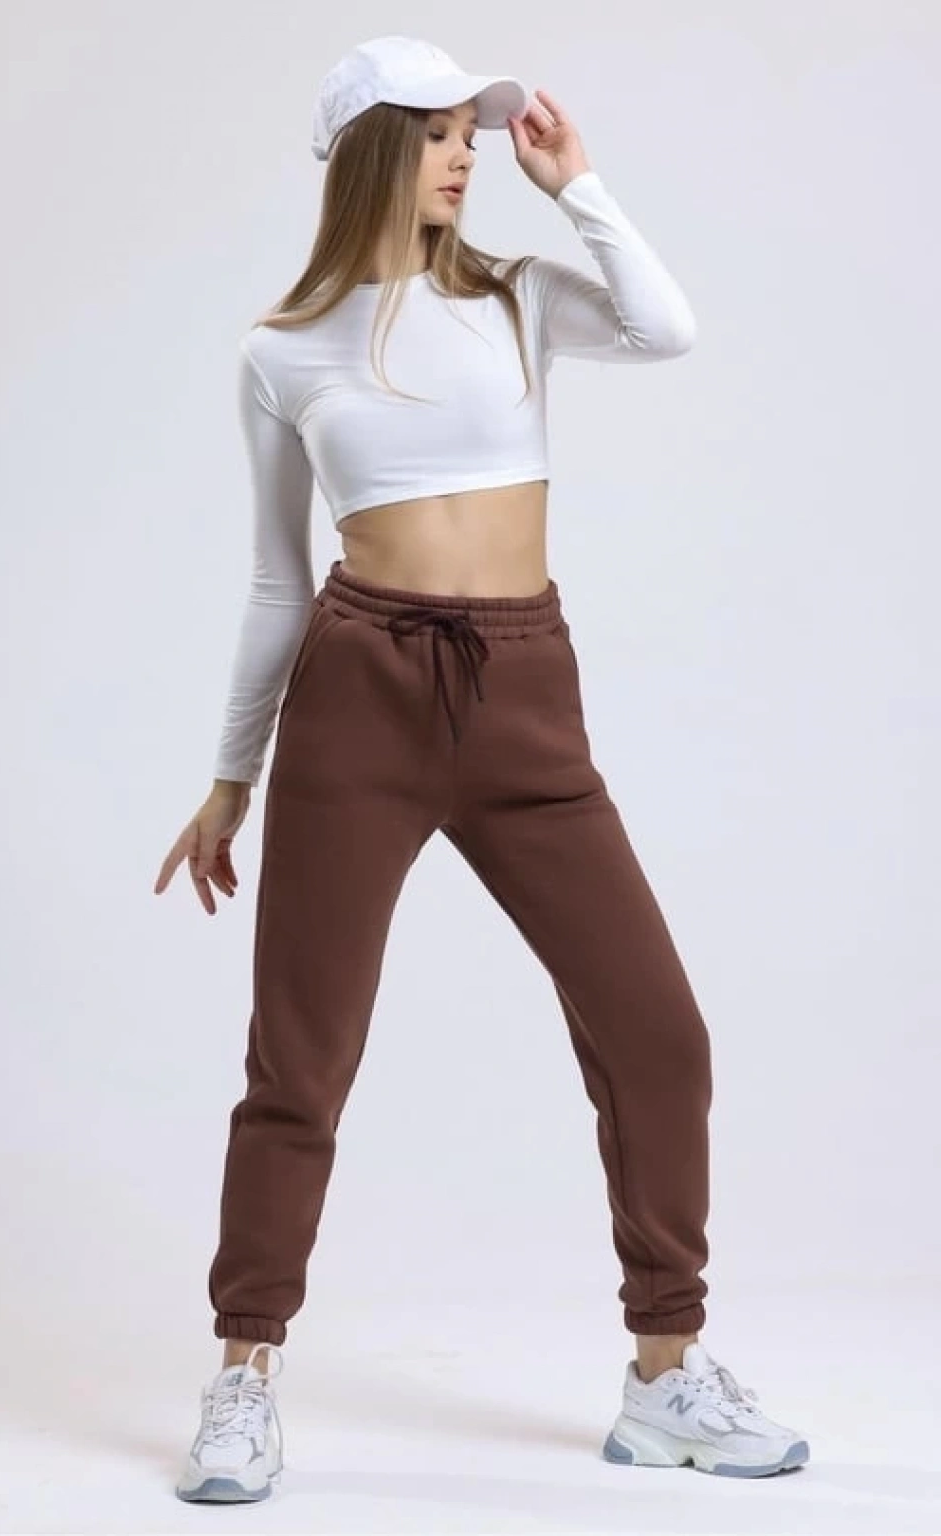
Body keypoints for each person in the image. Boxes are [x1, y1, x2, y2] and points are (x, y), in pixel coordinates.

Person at [155, 34, 810, 1505]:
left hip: (525, 693)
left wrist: (580, 188)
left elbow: (666, 329)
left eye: (473, 130)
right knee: (300, 1058)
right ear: (374, 150)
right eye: (443, 131)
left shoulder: (517, 296)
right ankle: (244, 1374)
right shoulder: (282, 350)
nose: (470, 154)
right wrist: (231, 776)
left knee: (658, 1034)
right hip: (357, 697)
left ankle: (666, 1376)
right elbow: (274, 580)